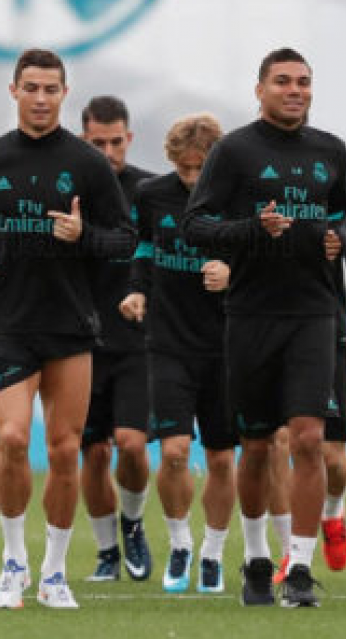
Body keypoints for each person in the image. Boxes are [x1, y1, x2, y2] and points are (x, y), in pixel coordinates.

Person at [0, 49, 136, 610]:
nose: (42, 98)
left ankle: (54, 573)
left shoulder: (89, 164)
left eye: (52, 88)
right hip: (5, 322)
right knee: (14, 439)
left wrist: (84, 237)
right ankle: (14, 564)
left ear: (64, 93)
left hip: (70, 324)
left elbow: (124, 239)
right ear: (14, 91)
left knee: (65, 450)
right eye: (32, 87)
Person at [183, 47, 346, 608]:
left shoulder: (331, 151)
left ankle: (297, 569)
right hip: (251, 314)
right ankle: (255, 557)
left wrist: (340, 236)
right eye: (283, 81)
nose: (295, 90)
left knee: (308, 438)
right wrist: (251, 229)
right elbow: (196, 226)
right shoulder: (234, 151)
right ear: (260, 90)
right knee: (256, 449)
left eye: (303, 81)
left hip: (313, 314)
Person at [120, 114, 236, 593]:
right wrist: (136, 290)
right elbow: (143, 248)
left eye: (201, 169)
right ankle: (181, 542)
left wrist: (233, 272)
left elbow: (263, 259)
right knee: (173, 452)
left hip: (228, 345)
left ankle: (212, 551)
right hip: (168, 343)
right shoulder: (152, 195)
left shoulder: (238, 199)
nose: (192, 179)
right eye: (185, 169)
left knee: (224, 460)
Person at [268, 181, 346, 582]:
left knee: (331, 456)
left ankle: (334, 512)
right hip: (266, 328)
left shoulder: (333, 181)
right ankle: (290, 552)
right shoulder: (251, 175)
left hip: (324, 331)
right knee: (278, 442)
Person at [78, 96, 156, 582]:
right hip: (80, 342)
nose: (108, 151)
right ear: (85, 141)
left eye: (115, 141)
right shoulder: (68, 192)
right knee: (92, 451)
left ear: (129, 138)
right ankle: (106, 550)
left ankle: (131, 522)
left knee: (130, 444)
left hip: (136, 341)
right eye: (97, 143)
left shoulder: (150, 190)